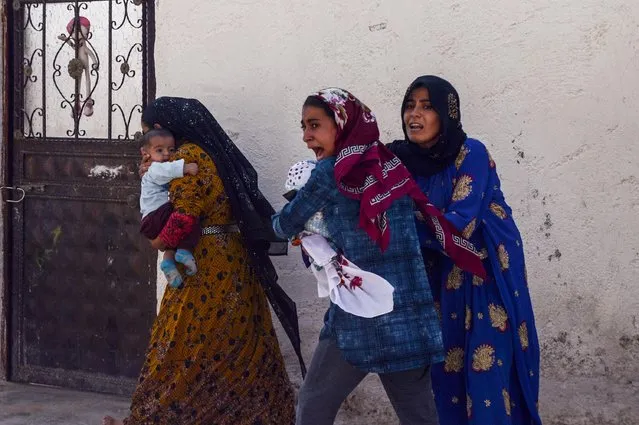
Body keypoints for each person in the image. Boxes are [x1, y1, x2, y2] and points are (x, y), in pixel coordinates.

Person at [272, 88, 483, 425]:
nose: (306, 137)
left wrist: (297, 219)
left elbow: (284, 225)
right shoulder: (386, 162)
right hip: (407, 313)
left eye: (314, 125)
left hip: (360, 314)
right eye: (303, 127)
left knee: (313, 407)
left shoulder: (330, 172)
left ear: (340, 124)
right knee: (419, 416)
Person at [103, 97, 303, 425]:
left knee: (182, 344)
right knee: (236, 344)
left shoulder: (188, 156)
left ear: (158, 128)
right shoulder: (214, 154)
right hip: (235, 260)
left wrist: (158, 241)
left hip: (205, 264)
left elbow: (185, 214)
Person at [388, 75, 542, 425]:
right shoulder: (399, 161)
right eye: (410, 105)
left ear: (447, 113)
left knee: (487, 375)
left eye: (428, 107)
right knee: (445, 377)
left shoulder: (470, 151)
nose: (416, 114)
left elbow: (461, 226)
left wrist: (396, 227)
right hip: (437, 283)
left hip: (484, 281)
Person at [138, 128, 200, 288]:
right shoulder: (154, 168)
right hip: (157, 215)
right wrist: (185, 168)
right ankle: (184, 251)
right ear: (145, 153)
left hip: (151, 220)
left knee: (173, 238)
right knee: (188, 217)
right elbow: (168, 170)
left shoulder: (149, 169)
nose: (166, 154)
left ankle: (168, 262)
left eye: (171, 150)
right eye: (159, 150)